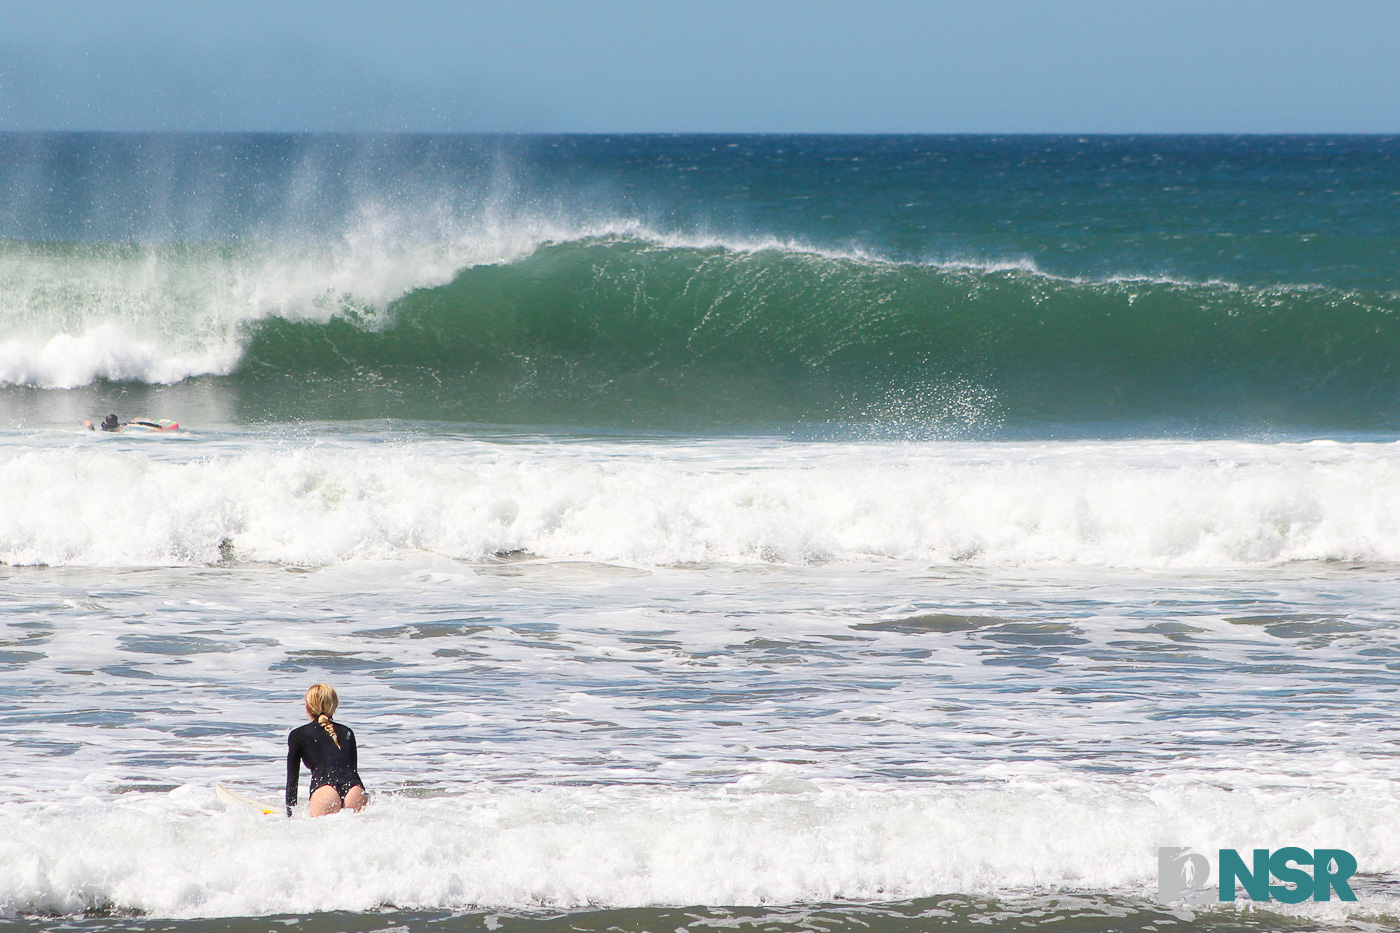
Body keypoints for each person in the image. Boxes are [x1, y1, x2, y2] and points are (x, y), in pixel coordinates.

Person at [285, 683, 367, 817]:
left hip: (325, 792)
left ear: (307, 706)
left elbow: (292, 781)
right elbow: (352, 770)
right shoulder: (348, 733)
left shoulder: (298, 735)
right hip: (355, 791)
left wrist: (289, 814)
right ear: (334, 706)